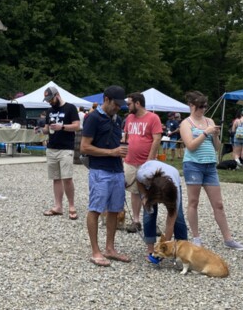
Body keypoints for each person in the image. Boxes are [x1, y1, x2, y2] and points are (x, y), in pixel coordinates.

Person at [180, 90, 243, 250]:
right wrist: (205, 133)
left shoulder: (209, 121)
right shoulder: (186, 123)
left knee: (218, 204)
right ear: (191, 106)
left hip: (210, 165)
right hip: (193, 165)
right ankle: (196, 237)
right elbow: (190, 146)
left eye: (204, 106)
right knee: (193, 202)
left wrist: (216, 135)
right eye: (200, 106)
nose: (203, 109)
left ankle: (228, 239)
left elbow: (217, 147)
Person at [81, 85, 130, 267]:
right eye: (115, 104)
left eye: (120, 105)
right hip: (100, 170)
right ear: (106, 99)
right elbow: (84, 147)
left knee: (115, 210)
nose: (118, 107)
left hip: (117, 170)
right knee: (95, 209)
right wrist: (111, 152)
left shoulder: (117, 120)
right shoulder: (93, 118)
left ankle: (110, 248)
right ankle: (95, 251)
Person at [123, 92, 163, 233]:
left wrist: (150, 160)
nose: (127, 106)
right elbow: (126, 137)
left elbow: (157, 138)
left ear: (137, 103)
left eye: (129, 104)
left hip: (146, 161)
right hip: (130, 161)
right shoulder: (129, 118)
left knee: (150, 191)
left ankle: (152, 221)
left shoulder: (153, 118)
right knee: (134, 192)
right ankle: (136, 221)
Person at [40, 86, 81, 220]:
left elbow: (77, 126)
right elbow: (47, 129)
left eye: (51, 99)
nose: (49, 102)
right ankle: (58, 206)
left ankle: (71, 206)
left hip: (66, 148)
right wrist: (41, 130)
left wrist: (62, 127)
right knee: (55, 178)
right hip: (52, 147)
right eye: (48, 100)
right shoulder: (50, 110)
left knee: (67, 178)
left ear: (57, 95)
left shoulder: (70, 108)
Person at [135, 160, 188, 263]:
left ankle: (183, 250)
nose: (160, 203)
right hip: (150, 184)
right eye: (158, 201)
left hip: (173, 176)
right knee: (149, 215)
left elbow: (170, 224)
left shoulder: (174, 192)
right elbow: (138, 181)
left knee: (178, 218)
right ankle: (151, 250)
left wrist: (164, 247)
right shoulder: (143, 175)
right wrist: (145, 195)